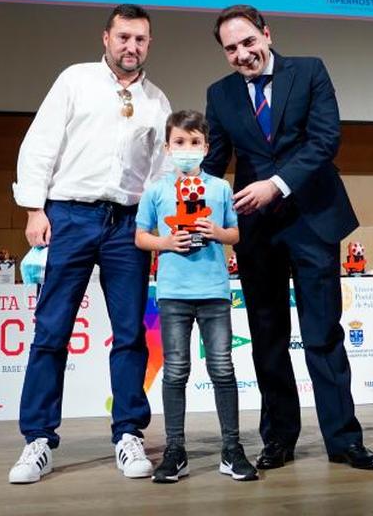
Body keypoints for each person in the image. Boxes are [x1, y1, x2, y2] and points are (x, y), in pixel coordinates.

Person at [202, 5, 373, 471]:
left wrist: (276, 184)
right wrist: (181, 193)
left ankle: (344, 441)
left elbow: (325, 141)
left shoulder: (309, 71)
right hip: (256, 229)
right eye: (231, 49)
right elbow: (214, 160)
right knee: (267, 336)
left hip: (312, 218)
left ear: (267, 33)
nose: (243, 54)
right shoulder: (219, 95)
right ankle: (278, 440)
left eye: (248, 42)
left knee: (322, 333)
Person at [7, 4, 172, 484]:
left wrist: (156, 228)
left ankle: (128, 434)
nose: (131, 47)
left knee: (129, 333)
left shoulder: (156, 101)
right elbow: (40, 144)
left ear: (148, 44)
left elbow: (160, 173)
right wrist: (35, 209)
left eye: (140, 39)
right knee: (51, 329)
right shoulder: (75, 80)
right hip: (70, 215)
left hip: (128, 224)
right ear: (106, 38)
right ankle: (37, 439)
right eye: (123, 37)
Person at [134, 110, 257, 484]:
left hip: (214, 293)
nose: (187, 149)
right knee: (175, 372)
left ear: (206, 146)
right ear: (168, 147)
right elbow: (140, 237)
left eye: (194, 142)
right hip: (173, 293)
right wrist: (166, 242)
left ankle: (232, 449)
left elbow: (235, 235)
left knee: (222, 368)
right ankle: (175, 450)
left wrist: (216, 231)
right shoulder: (156, 190)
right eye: (179, 143)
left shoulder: (220, 188)